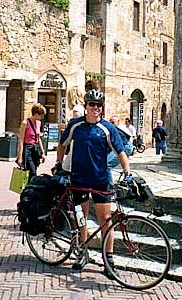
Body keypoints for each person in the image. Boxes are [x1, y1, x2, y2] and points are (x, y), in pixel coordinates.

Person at [53, 89, 132, 278]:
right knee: (81, 218)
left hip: (100, 180)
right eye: (92, 104)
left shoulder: (107, 128)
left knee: (106, 220)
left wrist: (127, 172)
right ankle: (83, 252)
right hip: (79, 179)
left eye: (98, 105)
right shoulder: (75, 125)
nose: (95, 108)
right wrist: (59, 163)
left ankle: (109, 260)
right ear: (86, 106)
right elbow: (62, 144)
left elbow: (120, 152)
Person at [17, 103, 47, 182]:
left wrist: (43, 153)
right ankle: (31, 190)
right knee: (32, 172)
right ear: (36, 114)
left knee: (34, 171)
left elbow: (38, 138)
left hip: (35, 149)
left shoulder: (38, 123)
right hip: (27, 149)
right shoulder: (25, 123)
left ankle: (29, 189)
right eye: (41, 115)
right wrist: (20, 157)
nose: (42, 117)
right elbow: (21, 140)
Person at [107, 115, 133, 183]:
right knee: (124, 165)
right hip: (125, 145)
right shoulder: (117, 128)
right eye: (110, 122)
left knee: (107, 165)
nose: (111, 124)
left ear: (118, 122)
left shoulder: (116, 129)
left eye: (113, 122)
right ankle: (126, 180)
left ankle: (109, 188)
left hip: (125, 146)